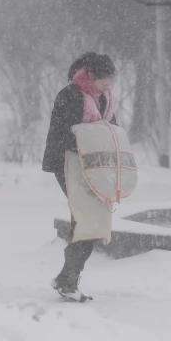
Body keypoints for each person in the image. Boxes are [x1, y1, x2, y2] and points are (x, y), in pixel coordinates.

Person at [42, 52, 117, 301]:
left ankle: (66, 278)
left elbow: (111, 131)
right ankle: (68, 281)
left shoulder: (104, 98)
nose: (109, 84)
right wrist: (91, 140)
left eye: (111, 79)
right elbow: (63, 134)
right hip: (67, 164)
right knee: (86, 218)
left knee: (90, 220)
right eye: (105, 79)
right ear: (92, 76)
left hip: (93, 165)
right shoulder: (70, 95)